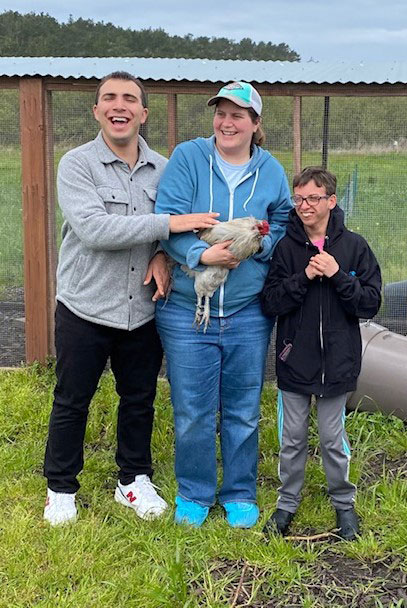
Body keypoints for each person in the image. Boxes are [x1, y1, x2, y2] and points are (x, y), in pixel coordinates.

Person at [43, 71, 219, 526]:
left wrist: (162, 253)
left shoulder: (164, 169)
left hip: (142, 308)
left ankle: (133, 481)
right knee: (71, 399)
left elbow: (177, 231)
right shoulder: (77, 164)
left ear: (144, 112)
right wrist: (168, 228)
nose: (118, 106)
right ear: (97, 110)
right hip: (86, 305)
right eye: (108, 99)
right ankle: (60, 487)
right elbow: (96, 229)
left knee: (138, 398)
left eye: (129, 99)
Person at [154, 81, 292, 528]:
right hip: (185, 307)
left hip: (247, 310)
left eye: (238, 115)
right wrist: (199, 255)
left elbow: (285, 221)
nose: (227, 122)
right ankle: (194, 492)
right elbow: (168, 217)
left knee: (242, 407)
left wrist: (257, 248)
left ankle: (239, 492)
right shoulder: (189, 158)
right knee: (192, 408)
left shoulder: (270, 170)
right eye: (221, 113)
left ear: (255, 124)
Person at [260, 166, 381, 540]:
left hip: (339, 364)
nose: (304, 206)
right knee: (293, 437)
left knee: (332, 438)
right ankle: (286, 505)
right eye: (298, 199)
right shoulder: (286, 248)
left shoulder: (354, 247)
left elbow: (370, 303)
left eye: (313, 198)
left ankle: (344, 506)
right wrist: (305, 277)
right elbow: (271, 301)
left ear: (331, 200)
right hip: (295, 362)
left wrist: (337, 274)